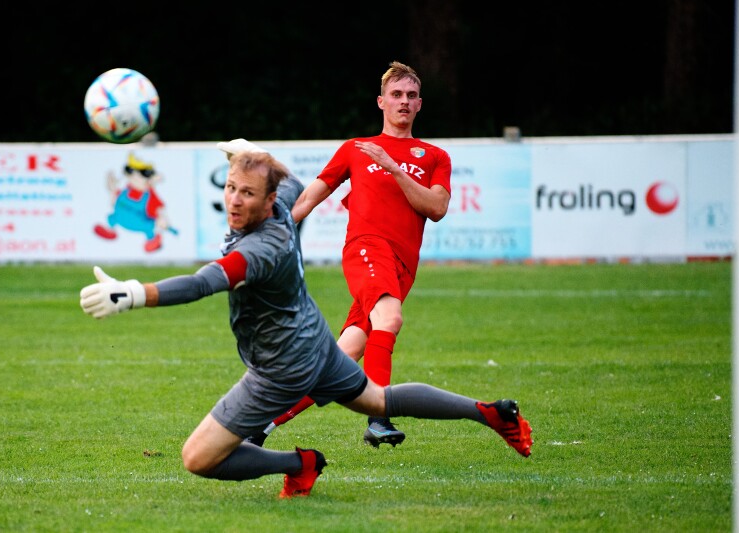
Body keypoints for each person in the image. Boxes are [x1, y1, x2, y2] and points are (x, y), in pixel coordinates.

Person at [79, 146, 532, 499]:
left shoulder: (261, 249)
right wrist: (252, 155)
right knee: (377, 400)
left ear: (268, 200)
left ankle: (300, 465)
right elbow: (291, 179)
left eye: (248, 193)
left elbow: (203, 284)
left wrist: (134, 293)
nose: (235, 200)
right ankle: (489, 413)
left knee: (197, 458)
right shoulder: (283, 202)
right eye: (231, 188)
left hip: (281, 368)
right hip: (314, 342)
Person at [252, 60, 453, 449]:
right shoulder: (356, 149)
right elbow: (312, 194)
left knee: (341, 360)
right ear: (381, 102)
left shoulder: (434, 157)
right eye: (396, 95)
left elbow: (437, 207)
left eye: (411, 96)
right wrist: (275, 233)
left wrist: (395, 168)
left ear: (420, 104)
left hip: (402, 267)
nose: (404, 102)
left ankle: (258, 427)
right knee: (390, 318)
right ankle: (379, 418)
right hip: (366, 249)